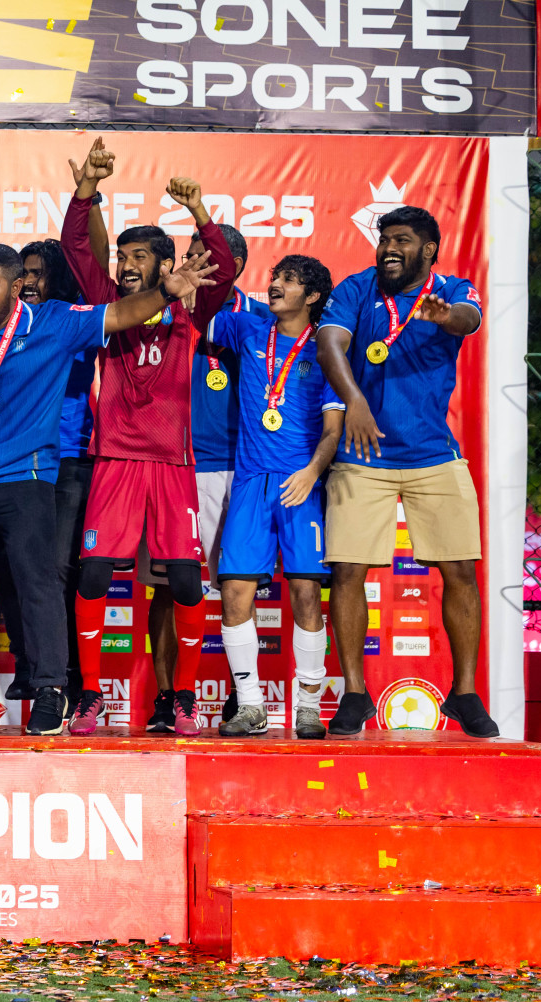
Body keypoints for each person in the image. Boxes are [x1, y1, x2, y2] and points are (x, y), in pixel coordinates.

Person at [0, 243, 217, 736]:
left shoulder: (53, 321)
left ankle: (52, 691)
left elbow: (120, 313)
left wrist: (167, 291)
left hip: (25, 475)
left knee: (40, 581)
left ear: (15, 289)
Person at [61, 137, 236, 737]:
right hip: (112, 458)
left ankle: (180, 698)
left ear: (165, 266)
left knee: (186, 579)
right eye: (123, 257)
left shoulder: (192, 307)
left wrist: (200, 213)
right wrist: (87, 189)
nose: (126, 264)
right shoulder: (106, 304)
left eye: (139, 257)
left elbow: (225, 267)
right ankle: (88, 696)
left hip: (172, 462)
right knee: (91, 574)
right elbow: (76, 247)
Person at [315, 205, 498, 738]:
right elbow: (330, 345)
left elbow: (468, 319)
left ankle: (463, 694)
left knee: (460, 570)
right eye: (384, 239)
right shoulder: (355, 288)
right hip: (361, 455)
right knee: (348, 572)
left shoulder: (455, 289)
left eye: (402, 240)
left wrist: (446, 318)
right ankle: (354, 692)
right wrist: (355, 401)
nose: (389, 248)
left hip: (433, 456)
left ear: (429, 249)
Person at [0, 118, 92, 717]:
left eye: (37, 274)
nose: (29, 282)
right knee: (13, 571)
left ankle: (60, 683)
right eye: (24, 274)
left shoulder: (63, 321)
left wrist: (86, 198)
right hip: (4, 463)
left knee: (52, 572)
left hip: (63, 462)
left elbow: (95, 265)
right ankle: (35, 675)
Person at [138, 223, 263, 731]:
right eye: (187, 256)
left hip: (245, 468)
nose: (191, 266)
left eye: (203, 258)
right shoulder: (161, 310)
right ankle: (169, 698)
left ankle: (243, 695)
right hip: (178, 467)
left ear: (231, 267)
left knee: (239, 587)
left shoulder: (260, 317)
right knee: (169, 590)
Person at [213, 255, 342, 738]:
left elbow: (333, 429)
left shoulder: (327, 348)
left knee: (307, 593)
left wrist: (312, 472)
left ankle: (308, 706)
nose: (275, 285)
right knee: (234, 593)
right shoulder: (247, 329)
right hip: (250, 482)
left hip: (300, 484)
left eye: (289, 281)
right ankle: (250, 707)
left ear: (311, 297)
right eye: (275, 277)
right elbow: (197, 308)